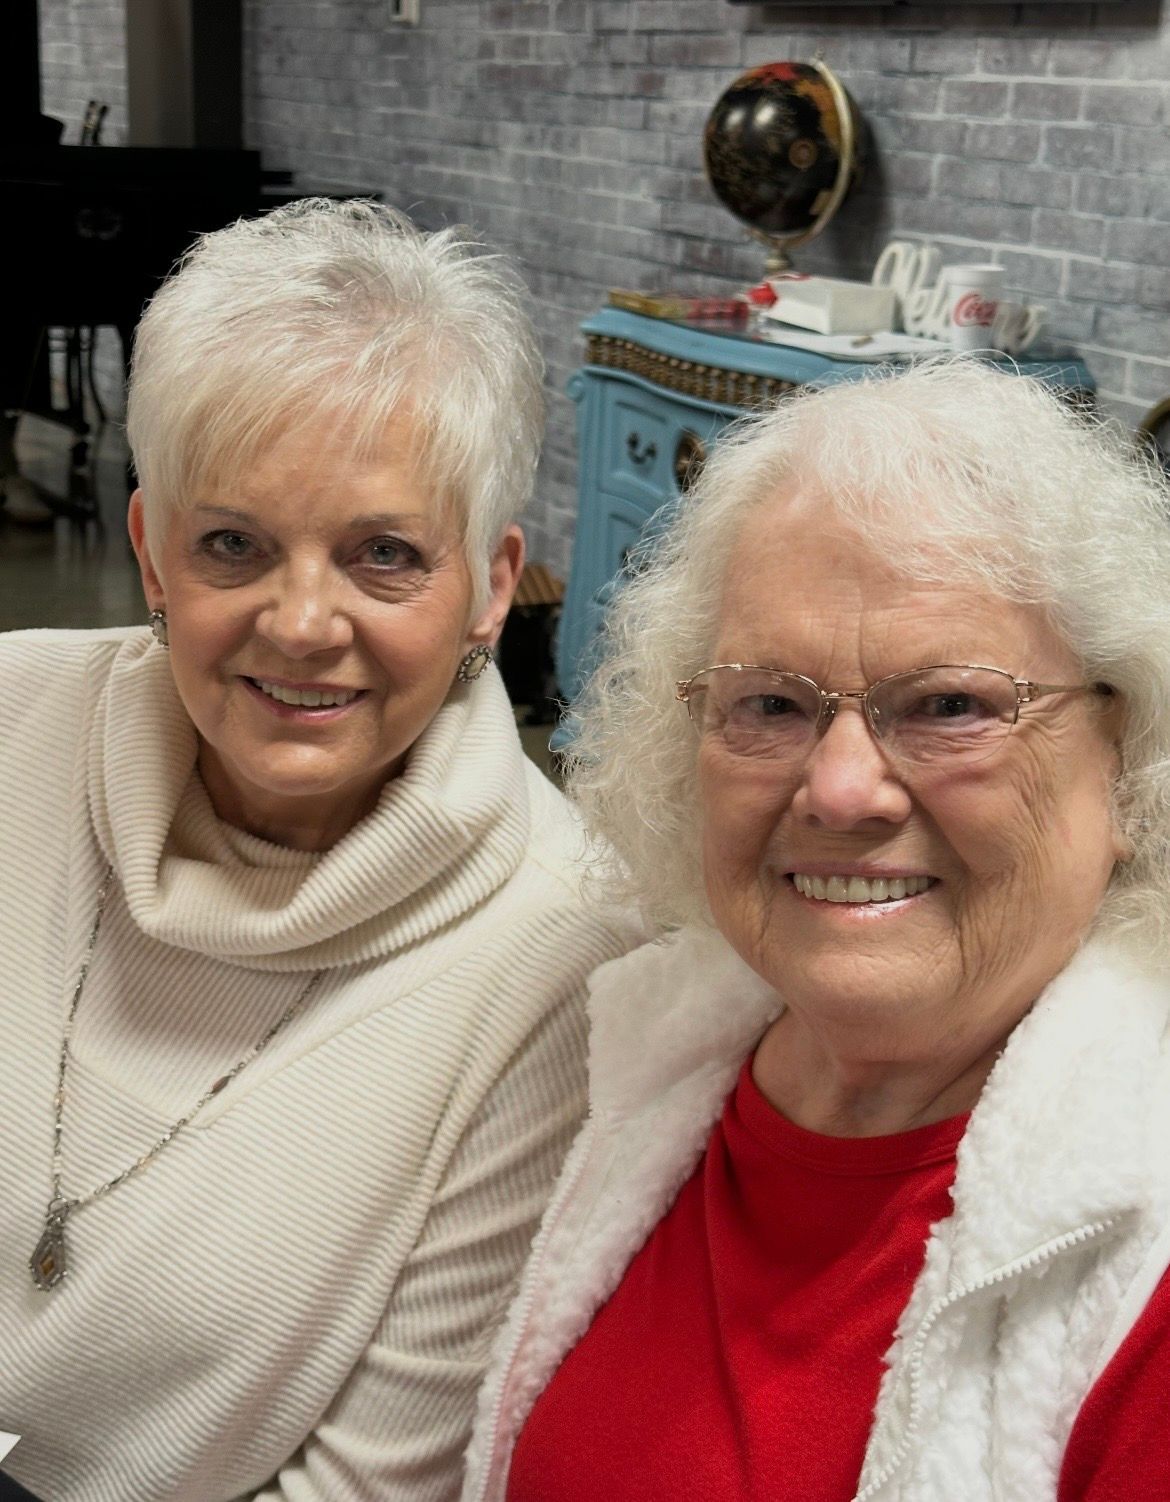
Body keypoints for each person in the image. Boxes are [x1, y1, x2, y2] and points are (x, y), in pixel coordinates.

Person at [0, 199, 639, 1501]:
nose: (301, 623)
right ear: (151, 553)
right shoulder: (14, 716)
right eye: (232, 543)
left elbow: (369, 1485)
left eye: (382, 555)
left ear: (492, 585)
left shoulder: (568, 962)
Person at [462, 359, 1170, 1502]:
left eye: (950, 704)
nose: (842, 790)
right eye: (772, 703)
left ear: (1125, 759)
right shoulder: (642, 1051)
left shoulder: (1146, 1259)